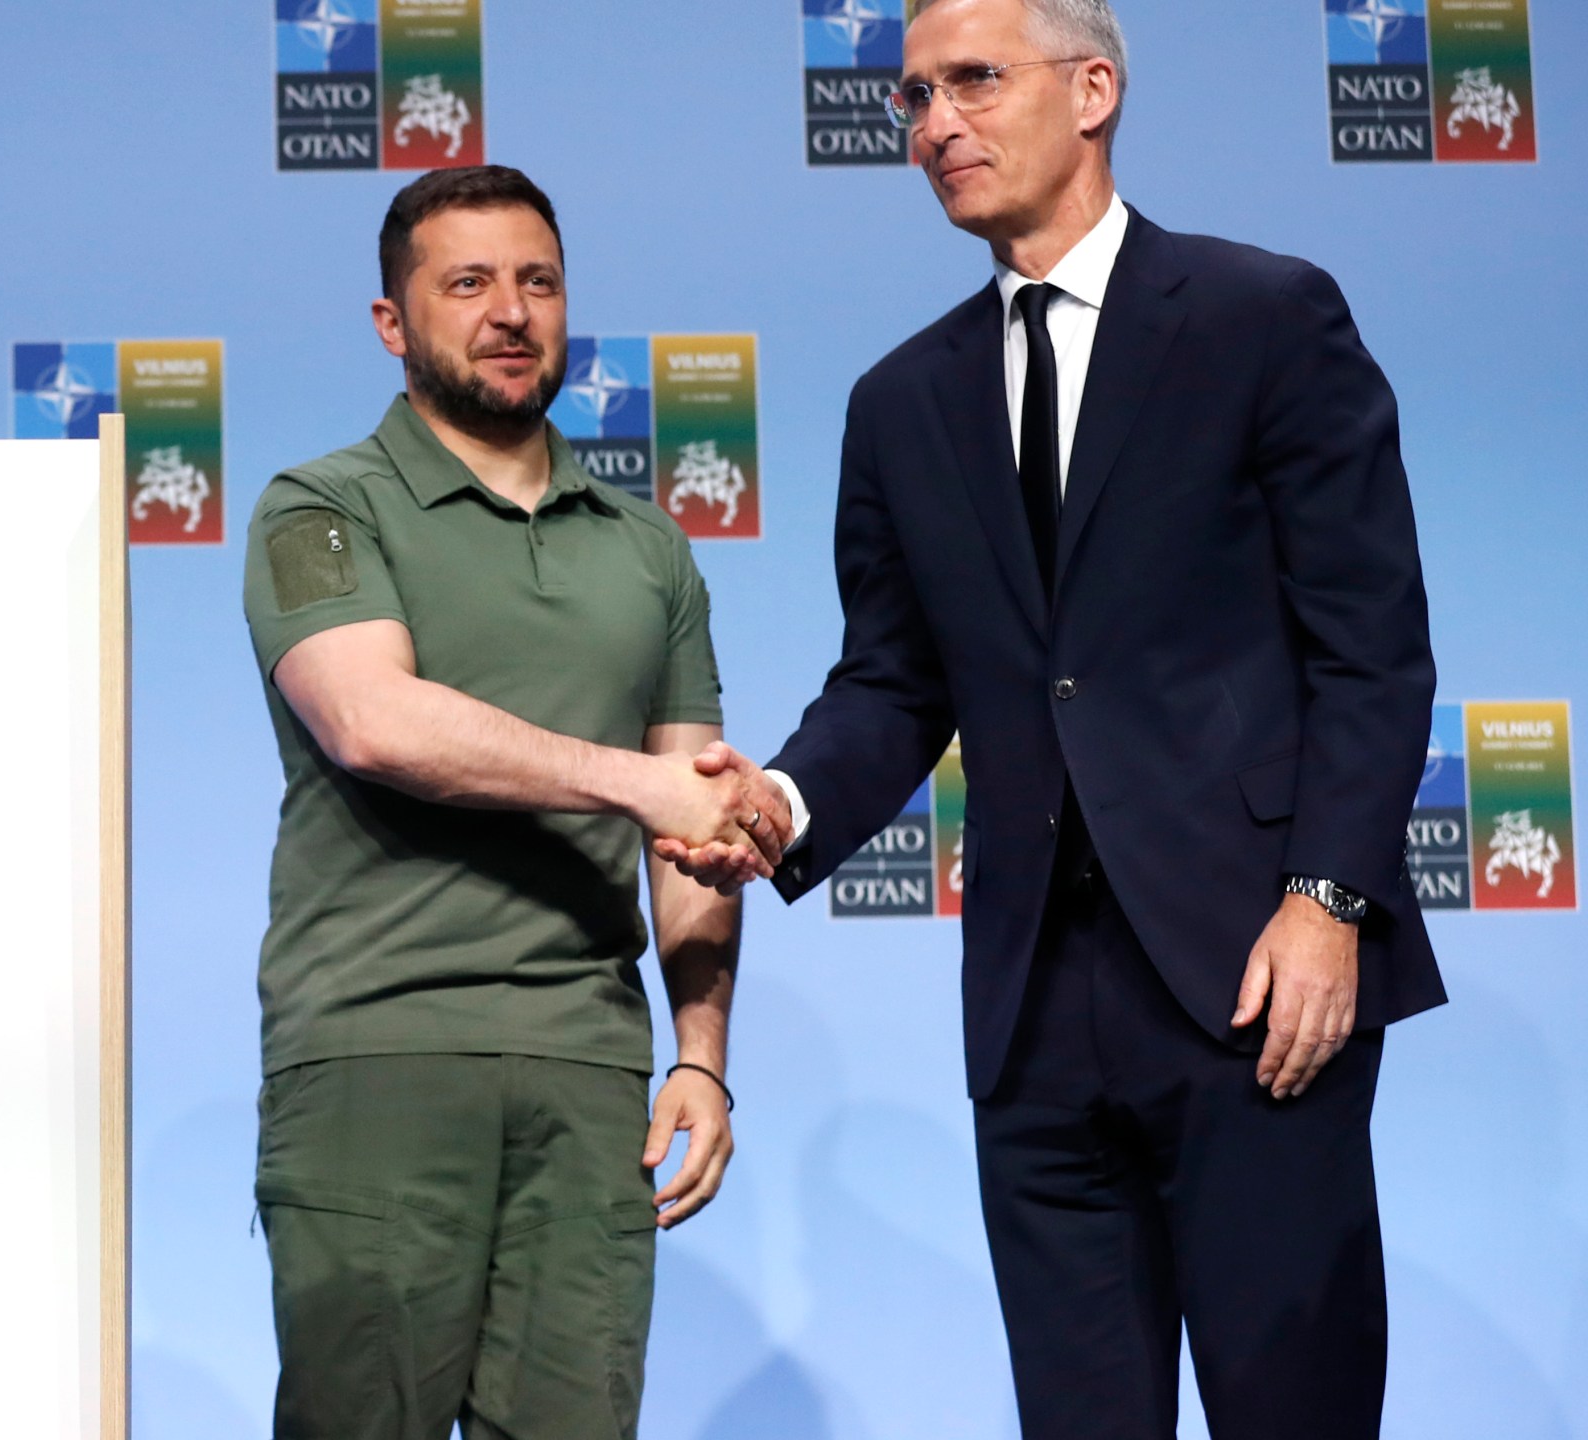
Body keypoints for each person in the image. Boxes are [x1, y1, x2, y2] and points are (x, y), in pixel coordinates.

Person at [662, 1, 1444, 1435]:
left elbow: (1373, 648)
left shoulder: (1264, 315)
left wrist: (1329, 897)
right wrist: (781, 805)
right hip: (1032, 1015)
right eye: (912, 98)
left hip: (1255, 978)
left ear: (1094, 90)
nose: (935, 124)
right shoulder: (900, 400)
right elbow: (895, 682)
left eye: (973, 81)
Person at [240, 164, 754, 1439]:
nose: (509, 312)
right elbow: (371, 719)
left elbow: (690, 821)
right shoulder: (321, 506)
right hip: (375, 1053)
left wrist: (702, 1057)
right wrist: (629, 781)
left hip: (589, 1074)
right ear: (392, 321)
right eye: (466, 283)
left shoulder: (648, 550)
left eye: (536, 281)